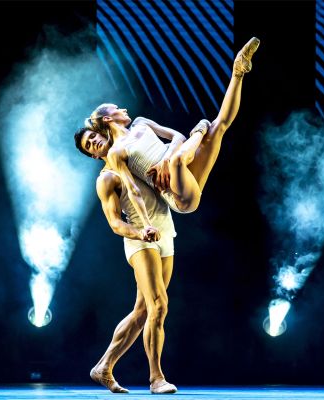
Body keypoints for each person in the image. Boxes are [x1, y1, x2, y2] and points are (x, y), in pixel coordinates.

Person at [75, 37, 260, 218]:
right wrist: (143, 222)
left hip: (187, 169)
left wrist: (165, 159)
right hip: (178, 193)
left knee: (218, 126)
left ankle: (238, 71)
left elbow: (178, 137)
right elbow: (130, 188)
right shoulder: (116, 152)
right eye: (117, 108)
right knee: (177, 159)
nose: (123, 109)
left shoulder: (141, 122)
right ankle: (200, 128)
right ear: (108, 118)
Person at [86, 159, 179, 394]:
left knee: (143, 311)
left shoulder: (134, 156)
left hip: (166, 235)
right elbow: (115, 223)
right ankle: (156, 378)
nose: (95, 143)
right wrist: (139, 233)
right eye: (89, 144)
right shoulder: (107, 178)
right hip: (140, 240)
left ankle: (103, 367)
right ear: (93, 155)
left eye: (94, 140)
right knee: (159, 305)